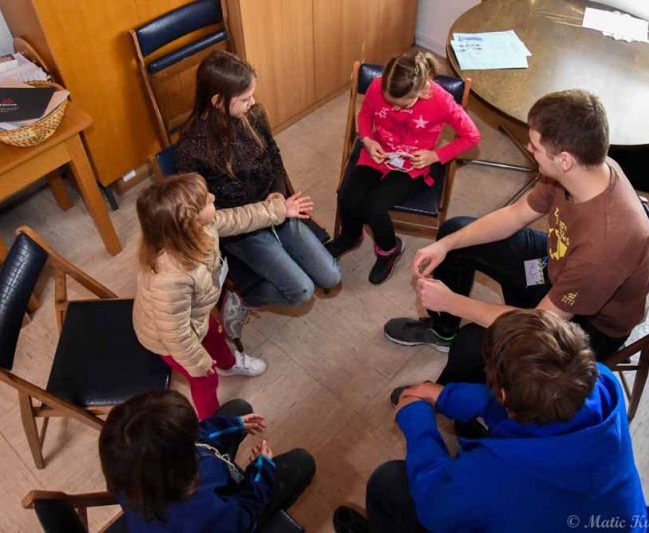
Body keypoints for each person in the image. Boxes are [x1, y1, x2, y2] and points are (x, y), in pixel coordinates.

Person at [384, 89, 649, 385]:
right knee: (455, 234)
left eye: (535, 145)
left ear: (564, 160)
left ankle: (442, 397)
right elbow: (514, 215)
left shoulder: (603, 249)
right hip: (560, 263)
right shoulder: (584, 170)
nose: (528, 147)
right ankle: (442, 331)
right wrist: (446, 244)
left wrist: (452, 302)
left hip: (589, 323)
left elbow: (538, 324)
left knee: (473, 345)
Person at [333, 309, 648, 533]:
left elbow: (435, 507)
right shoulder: (600, 383)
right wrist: (447, 396)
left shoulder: (496, 472)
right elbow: (533, 414)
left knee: (387, 483)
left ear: (505, 395)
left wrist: (418, 425)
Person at [177, 50, 341, 340]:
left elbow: (274, 158)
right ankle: (245, 298)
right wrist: (269, 213)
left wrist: (277, 193)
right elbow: (204, 216)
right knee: (302, 291)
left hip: (277, 210)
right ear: (217, 101)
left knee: (332, 276)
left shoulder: (254, 115)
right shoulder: (192, 147)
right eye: (245, 98)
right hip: (241, 230)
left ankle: (283, 255)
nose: (252, 102)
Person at [132, 173, 313, 419]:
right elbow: (176, 336)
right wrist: (199, 365)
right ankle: (213, 426)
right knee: (205, 381)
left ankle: (228, 364)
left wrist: (280, 209)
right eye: (206, 200)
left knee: (215, 336)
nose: (213, 197)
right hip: (167, 338)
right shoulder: (169, 278)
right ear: (189, 221)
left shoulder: (198, 227)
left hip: (194, 315)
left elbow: (238, 218)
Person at [325, 50, 480, 284]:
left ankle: (390, 249)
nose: (395, 110)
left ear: (422, 90)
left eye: (403, 104)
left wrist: (435, 156)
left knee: (374, 207)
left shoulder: (441, 100)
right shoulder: (377, 86)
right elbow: (365, 115)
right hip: (379, 152)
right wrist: (367, 139)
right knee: (347, 197)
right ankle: (350, 236)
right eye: (390, 103)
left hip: (413, 165)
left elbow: (472, 136)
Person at [100, 390, 315, 532]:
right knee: (302, 462)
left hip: (199, 494)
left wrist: (235, 425)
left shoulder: (126, 473)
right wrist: (261, 470)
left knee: (239, 408)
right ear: (183, 462)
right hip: (230, 517)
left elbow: (196, 437)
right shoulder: (207, 514)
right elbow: (246, 512)